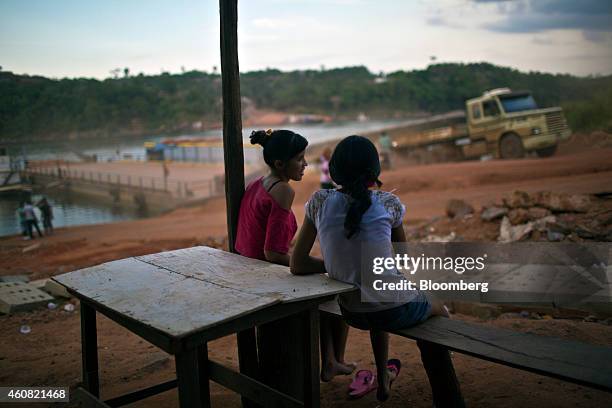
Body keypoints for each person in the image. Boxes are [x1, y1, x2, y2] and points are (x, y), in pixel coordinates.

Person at [290, 135, 450, 401]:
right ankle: (446, 384)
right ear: (374, 172)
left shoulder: (319, 202)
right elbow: (404, 259)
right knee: (438, 306)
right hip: (393, 309)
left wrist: (336, 268)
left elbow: (297, 264)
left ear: (335, 170)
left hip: (351, 312)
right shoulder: (388, 203)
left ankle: (383, 380)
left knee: (374, 293)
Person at [235, 129, 354, 381]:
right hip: (264, 273)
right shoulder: (283, 191)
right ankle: (333, 360)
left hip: (247, 266)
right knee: (339, 287)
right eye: (299, 158)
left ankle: (332, 361)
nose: (305, 164)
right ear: (280, 164)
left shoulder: (258, 183)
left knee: (327, 291)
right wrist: (319, 265)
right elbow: (272, 253)